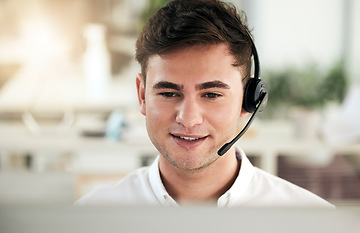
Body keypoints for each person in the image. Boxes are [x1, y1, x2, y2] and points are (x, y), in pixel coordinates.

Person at [76, 0, 334, 208]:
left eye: (211, 94)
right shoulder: (92, 218)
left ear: (249, 99)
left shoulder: (310, 220)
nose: (188, 119)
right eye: (168, 93)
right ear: (142, 95)